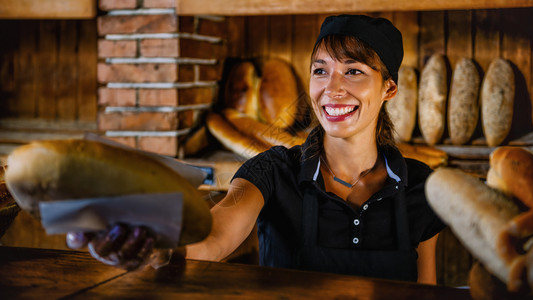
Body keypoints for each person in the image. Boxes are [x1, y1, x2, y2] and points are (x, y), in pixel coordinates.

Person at [67, 14, 445, 284]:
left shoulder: (421, 185)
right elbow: (213, 238)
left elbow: (426, 291)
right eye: (320, 70)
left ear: (389, 89)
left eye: (354, 70)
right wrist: (154, 247)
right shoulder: (273, 170)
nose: (332, 88)